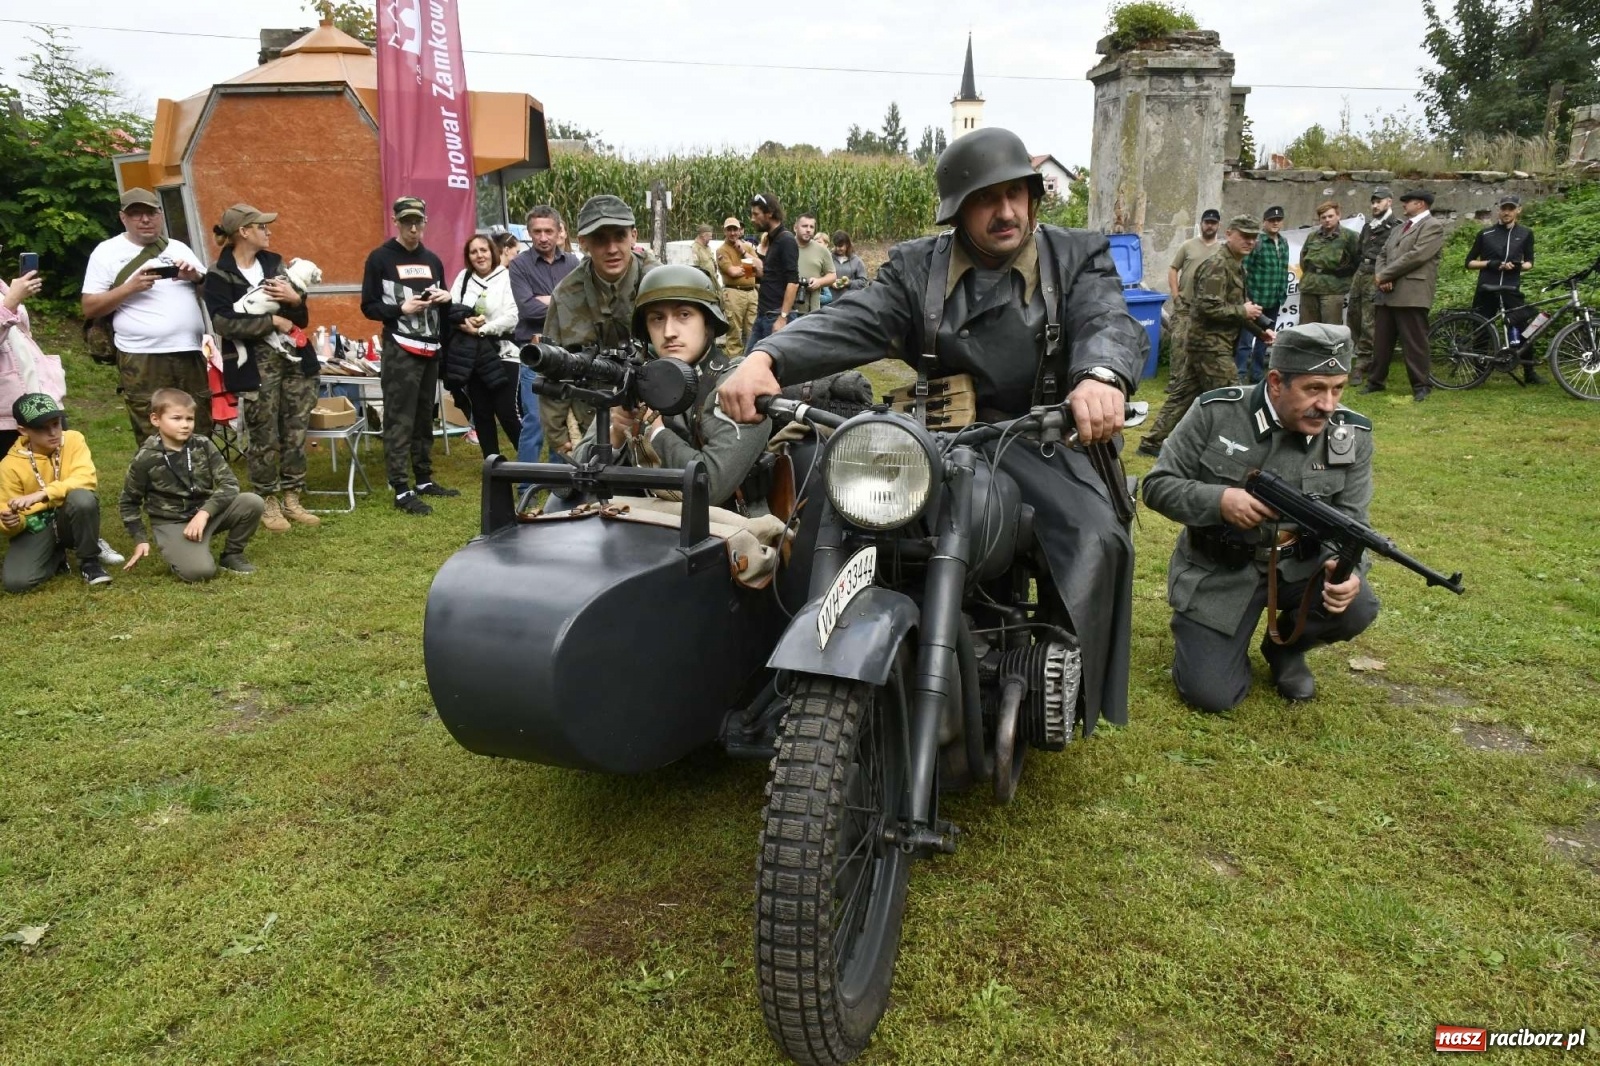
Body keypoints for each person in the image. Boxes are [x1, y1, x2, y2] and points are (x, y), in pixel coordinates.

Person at [719, 127, 1146, 730]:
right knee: (823, 511)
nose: (1006, 212)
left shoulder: (1076, 256)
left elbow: (1108, 318)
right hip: (932, 435)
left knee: (1094, 534)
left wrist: (1099, 377)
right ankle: (791, 671)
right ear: (956, 210)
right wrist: (767, 357)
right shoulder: (917, 267)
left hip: (1040, 436)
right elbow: (853, 318)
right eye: (985, 198)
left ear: (1033, 197)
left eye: (1016, 194)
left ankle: (1064, 679)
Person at [1142, 323, 1379, 710]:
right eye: (1314, 388)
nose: (1328, 404)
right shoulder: (1215, 413)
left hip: (1299, 567)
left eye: (1338, 388)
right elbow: (1156, 486)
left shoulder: (1349, 434)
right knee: (1211, 696)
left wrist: (1351, 570)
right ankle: (1209, 634)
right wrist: (1219, 500)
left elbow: (1353, 521)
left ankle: (1286, 644)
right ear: (1275, 382)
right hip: (1220, 569)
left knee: (1357, 605)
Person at [573, 265, 773, 509]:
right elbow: (569, 481)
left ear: (708, 322)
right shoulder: (635, 381)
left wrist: (653, 432)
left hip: (726, 532)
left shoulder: (738, 386)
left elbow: (709, 487)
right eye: (657, 318)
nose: (668, 332)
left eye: (684, 315)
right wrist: (614, 434)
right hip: (637, 526)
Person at [204, 203, 318, 534]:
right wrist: (272, 321)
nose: (269, 232)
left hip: (295, 361)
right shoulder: (219, 274)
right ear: (244, 231)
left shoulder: (275, 264)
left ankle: (293, 497)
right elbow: (224, 322)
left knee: (295, 430)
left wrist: (295, 302)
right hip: (254, 366)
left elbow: (302, 318)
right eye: (262, 227)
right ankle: (267, 500)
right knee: (263, 433)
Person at [81, 188, 211, 444]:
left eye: (150, 213)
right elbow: (90, 307)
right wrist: (131, 287)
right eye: (136, 214)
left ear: (160, 215)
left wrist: (195, 277)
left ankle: (198, 479)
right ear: (123, 218)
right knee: (152, 427)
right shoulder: (106, 252)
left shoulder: (179, 247)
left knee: (198, 422)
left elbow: (214, 294)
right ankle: (161, 481)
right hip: (142, 355)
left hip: (189, 350)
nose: (145, 219)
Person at [1138, 216, 1274, 458]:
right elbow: (1206, 308)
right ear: (1230, 234)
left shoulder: (1235, 265)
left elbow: (1235, 309)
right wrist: (1244, 311)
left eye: (1254, 238)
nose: (1250, 241)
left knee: (1183, 395)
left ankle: (1152, 442)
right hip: (1210, 345)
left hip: (1210, 343)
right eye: (1244, 236)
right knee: (1234, 397)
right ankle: (1230, 450)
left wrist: (1260, 332)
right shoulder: (1218, 266)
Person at [360, 195, 459, 514]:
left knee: (423, 415)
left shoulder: (433, 259)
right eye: (407, 222)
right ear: (396, 222)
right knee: (399, 417)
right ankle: (401, 487)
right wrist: (399, 309)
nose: (413, 228)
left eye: (418, 222)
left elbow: (442, 303)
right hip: (400, 346)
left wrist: (446, 298)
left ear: (425, 222)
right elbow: (368, 306)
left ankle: (424, 478)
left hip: (430, 347)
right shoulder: (379, 258)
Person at [540, 194, 659, 455]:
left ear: (634, 236)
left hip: (657, 418)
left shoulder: (659, 284)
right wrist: (559, 438)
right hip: (593, 421)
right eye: (600, 239)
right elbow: (552, 366)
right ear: (583, 243)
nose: (612, 248)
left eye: (619, 236)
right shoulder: (566, 295)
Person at [119, 388, 265, 581]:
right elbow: (128, 502)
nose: (185, 425)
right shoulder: (146, 458)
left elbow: (229, 484)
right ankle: (183, 549)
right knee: (200, 573)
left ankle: (232, 554)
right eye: (177, 418)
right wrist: (140, 540)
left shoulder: (202, 444)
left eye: (189, 419)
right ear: (156, 419)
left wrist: (205, 513)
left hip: (204, 514)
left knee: (252, 502)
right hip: (172, 521)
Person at [2, 393, 112, 590]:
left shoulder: (74, 440)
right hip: (36, 525)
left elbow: (86, 478)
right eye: (42, 428)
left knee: (83, 498)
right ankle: (56, 556)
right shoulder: (9, 465)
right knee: (17, 583)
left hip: (69, 515)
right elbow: (6, 511)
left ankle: (89, 561)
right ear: (22, 430)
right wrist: (11, 523)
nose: (53, 432)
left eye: (56, 423)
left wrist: (44, 494)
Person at [1144, 208, 1223, 458]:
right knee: (1179, 349)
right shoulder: (1188, 246)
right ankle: (1175, 384)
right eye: (1206, 222)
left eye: (1213, 223)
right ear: (1201, 224)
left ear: (1218, 226)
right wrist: (1176, 297)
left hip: (1210, 313)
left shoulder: (1221, 251)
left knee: (1199, 374)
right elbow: (1172, 269)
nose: (1209, 226)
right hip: (1187, 309)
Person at [509, 205, 578, 464]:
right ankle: (526, 483)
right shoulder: (519, 265)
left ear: (559, 231)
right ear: (529, 232)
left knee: (559, 421)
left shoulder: (572, 263)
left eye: (548, 231)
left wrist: (546, 300)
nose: (543, 237)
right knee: (535, 420)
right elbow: (526, 308)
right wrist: (561, 301)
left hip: (566, 353)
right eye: (537, 231)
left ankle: (558, 483)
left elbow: (580, 304)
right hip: (535, 353)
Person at [443, 234, 521, 458]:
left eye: (483, 250)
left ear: (493, 252)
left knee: (507, 412)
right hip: (473, 355)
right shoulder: (464, 277)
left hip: (503, 352)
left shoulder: (507, 277)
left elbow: (513, 316)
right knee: (482, 413)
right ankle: (493, 468)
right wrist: (465, 320)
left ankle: (528, 466)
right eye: (474, 251)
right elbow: (452, 307)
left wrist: (482, 328)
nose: (479, 255)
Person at [1366, 190, 1447, 402]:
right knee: (1381, 341)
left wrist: (1386, 274)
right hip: (1387, 291)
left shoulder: (1433, 226)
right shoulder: (1399, 227)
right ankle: (1375, 381)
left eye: (1407, 202)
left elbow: (1417, 256)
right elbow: (1382, 254)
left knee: (1414, 342)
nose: (1404, 205)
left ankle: (1421, 385)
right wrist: (1382, 276)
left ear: (1420, 204)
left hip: (1412, 293)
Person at [1466, 195, 1538, 383]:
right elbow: (1470, 262)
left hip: (1511, 287)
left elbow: (1530, 262)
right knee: (1481, 328)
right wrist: (1491, 263)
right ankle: (1479, 371)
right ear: (1499, 209)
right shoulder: (1485, 234)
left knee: (1525, 328)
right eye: (1504, 208)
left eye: (1511, 208)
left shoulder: (1525, 233)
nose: (1507, 212)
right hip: (1486, 288)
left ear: (1518, 210)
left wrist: (1518, 265)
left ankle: (1529, 372)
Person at [0, 256, 56, 458]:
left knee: (47, 470)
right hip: (6, 413)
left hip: (34, 396)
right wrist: (11, 301)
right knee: (10, 479)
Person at [1348, 186, 1401, 384]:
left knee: (1369, 321)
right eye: (1373, 201)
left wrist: (1387, 277)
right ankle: (1361, 355)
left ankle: (1364, 363)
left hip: (1377, 275)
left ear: (1389, 201)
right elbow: (1359, 251)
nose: (1375, 205)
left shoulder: (1396, 226)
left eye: (1379, 201)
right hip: (1361, 273)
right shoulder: (1368, 227)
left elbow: (1395, 256)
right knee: (1354, 316)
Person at [1235, 204, 1289, 385]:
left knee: (1264, 340)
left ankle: (1257, 373)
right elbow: (1244, 269)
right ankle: (1240, 373)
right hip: (1256, 299)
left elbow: (1283, 269)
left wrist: (1282, 292)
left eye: (1278, 220)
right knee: (1245, 339)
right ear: (1264, 222)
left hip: (1274, 299)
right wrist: (1247, 297)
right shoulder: (1257, 243)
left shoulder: (1283, 242)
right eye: (1271, 220)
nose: (1275, 223)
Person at [743, 192, 799, 353]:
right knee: (748, 363)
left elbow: (793, 281)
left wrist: (782, 317)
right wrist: (757, 271)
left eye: (756, 214)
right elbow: (774, 277)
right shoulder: (773, 240)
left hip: (776, 316)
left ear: (770, 213)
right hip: (763, 315)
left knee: (772, 369)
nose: (752, 219)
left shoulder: (786, 240)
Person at [1298, 201, 1360, 325]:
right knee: (1306, 328)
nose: (1327, 220)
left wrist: (1345, 275)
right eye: (1323, 217)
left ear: (1338, 216)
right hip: (1310, 287)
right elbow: (1303, 258)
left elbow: (1357, 260)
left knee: (1330, 329)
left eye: (1330, 216)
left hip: (1333, 289)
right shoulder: (1312, 236)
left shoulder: (1350, 236)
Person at [715, 217, 759, 356]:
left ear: (740, 230)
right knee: (734, 333)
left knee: (754, 330)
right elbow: (732, 272)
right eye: (729, 230)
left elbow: (759, 266)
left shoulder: (747, 247)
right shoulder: (722, 250)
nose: (733, 233)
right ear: (725, 231)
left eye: (735, 229)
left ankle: (753, 361)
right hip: (734, 293)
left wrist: (743, 254)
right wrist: (748, 267)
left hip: (752, 293)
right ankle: (733, 365)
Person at [793, 212, 837, 314]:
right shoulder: (786, 246)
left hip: (811, 310)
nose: (808, 230)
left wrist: (819, 282)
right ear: (795, 228)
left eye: (811, 227)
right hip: (787, 309)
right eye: (804, 226)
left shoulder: (821, 250)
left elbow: (832, 275)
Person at [830, 231, 869, 299]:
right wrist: (830, 283)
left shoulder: (857, 261)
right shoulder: (829, 258)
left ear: (847, 244)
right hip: (830, 301)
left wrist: (849, 283)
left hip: (849, 301)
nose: (837, 248)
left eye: (840, 246)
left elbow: (863, 282)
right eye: (836, 246)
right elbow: (821, 276)